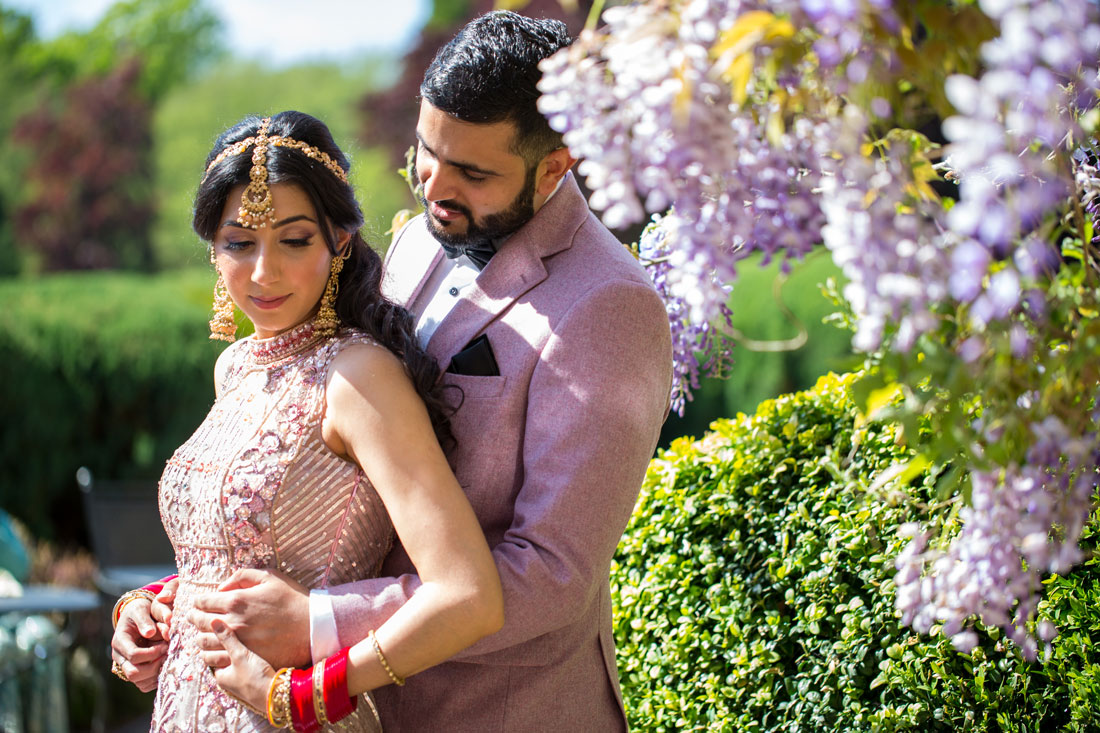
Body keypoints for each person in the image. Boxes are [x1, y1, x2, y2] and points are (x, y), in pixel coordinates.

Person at [118, 10, 674, 731]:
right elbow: (321, 478)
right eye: (426, 152)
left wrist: (321, 624)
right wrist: (181, 598)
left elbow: (554, 573)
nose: (433, 186)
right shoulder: (417, 241)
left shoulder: (610, 306)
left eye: (472, 172)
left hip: (497, 710)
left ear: (556, 167)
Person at [108, 110, 503, 730]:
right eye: (239, 243)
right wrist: (153, 606)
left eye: (294, 240)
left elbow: (469, 596)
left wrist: (306, 694)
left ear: (338, 242)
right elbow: (234, 552)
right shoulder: (234, 367)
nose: (264, 272)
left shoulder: (358, 377)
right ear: (213, 248)